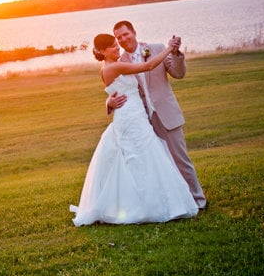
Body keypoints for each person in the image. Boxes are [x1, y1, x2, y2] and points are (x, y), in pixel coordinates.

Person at [69, 33, 198, 226]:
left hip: (133, 114)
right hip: (131, 117)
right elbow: (147, 66)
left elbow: (113, 90)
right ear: (102, 51)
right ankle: (149, 205)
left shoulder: (107, 66)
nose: (117, 48)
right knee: (142, 156)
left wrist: (109, 101)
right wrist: (169, 49)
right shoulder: (114, 66)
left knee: (141, 157)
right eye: (112, 46)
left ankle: (147, 201)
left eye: (116, 44)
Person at [108, 20, 207, 209]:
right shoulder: (120, 62)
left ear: (134, 32)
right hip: (142, 121)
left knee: (181, 160)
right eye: (118, 37)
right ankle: (172, 202)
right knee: (157, 164)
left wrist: (176, 52)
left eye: (125, 34)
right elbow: (114, 89)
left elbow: (178, 73)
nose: (122, 39)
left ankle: (198, 200)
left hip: (167, 114)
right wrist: (108, 102)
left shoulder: (157, 49)